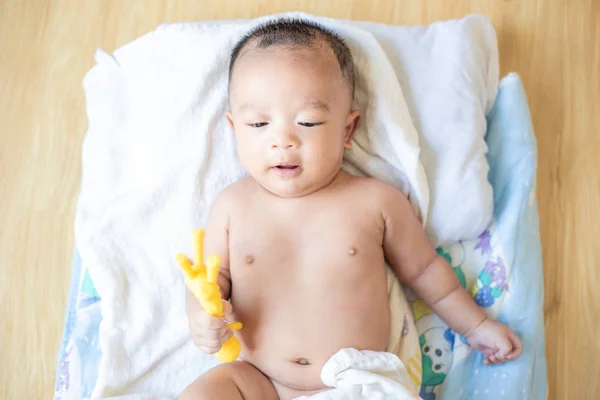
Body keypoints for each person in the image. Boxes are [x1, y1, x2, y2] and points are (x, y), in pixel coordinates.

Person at [180, 19, 522, 400]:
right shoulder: (232, 206)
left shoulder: (375, 201)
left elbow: (426, 271)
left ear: (347, 129)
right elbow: (207, 282)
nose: (283, 141)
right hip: (259, 380)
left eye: (307, 122)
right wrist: (201, 317)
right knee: (206, 392)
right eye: (259, 123)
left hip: (356, 382)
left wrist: (476, 327)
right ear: (234, 128)